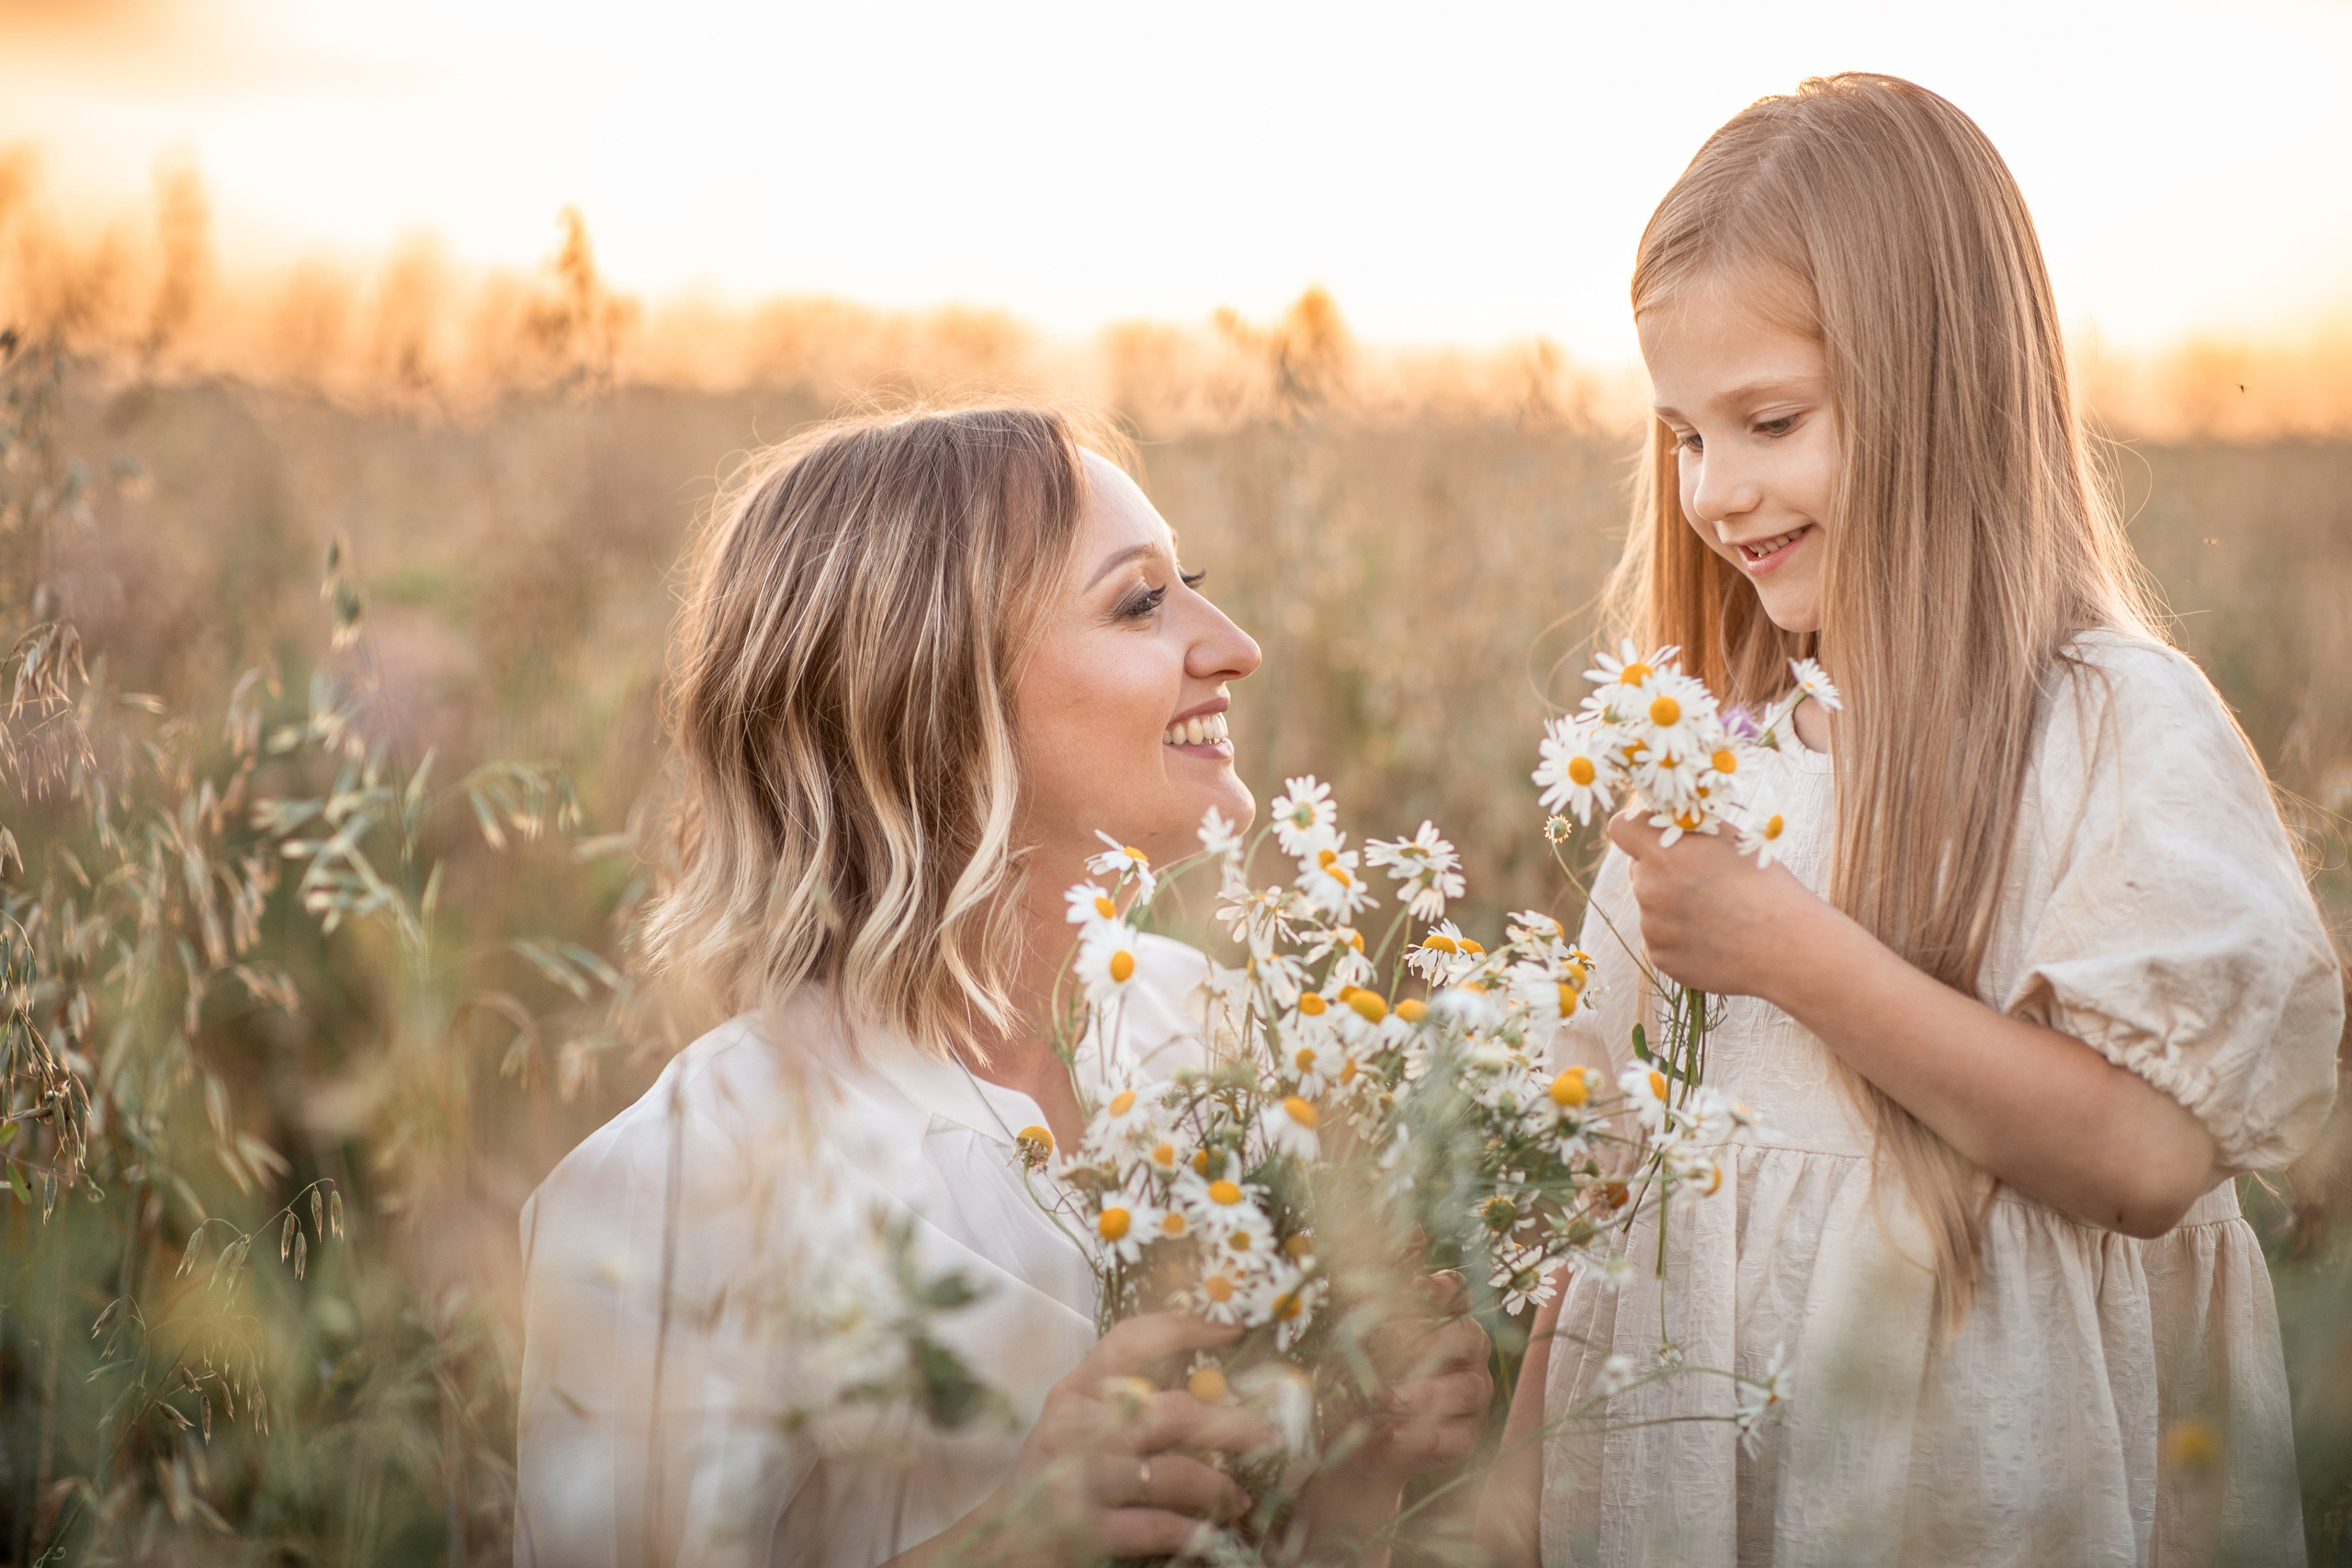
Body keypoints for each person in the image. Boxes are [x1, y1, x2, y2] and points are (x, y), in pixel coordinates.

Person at [1482, 73, 2342, 1567]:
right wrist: (1499, 1506)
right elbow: (1610, 1185)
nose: (1716, 489)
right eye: (1682, 436)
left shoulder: (2109, 732)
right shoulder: (1703, 761)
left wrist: (1796, 953)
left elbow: (2146, 1162)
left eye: (1768, 420)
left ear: (1946, 392)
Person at [514, 406, 1491, 1567]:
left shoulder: (1224, 1037)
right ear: (931, 694)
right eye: (1141, 602)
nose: (1234, 645)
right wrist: (1007, 1544)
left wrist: (1357, 1470)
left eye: (1192, 585)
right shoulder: (689, 1185)